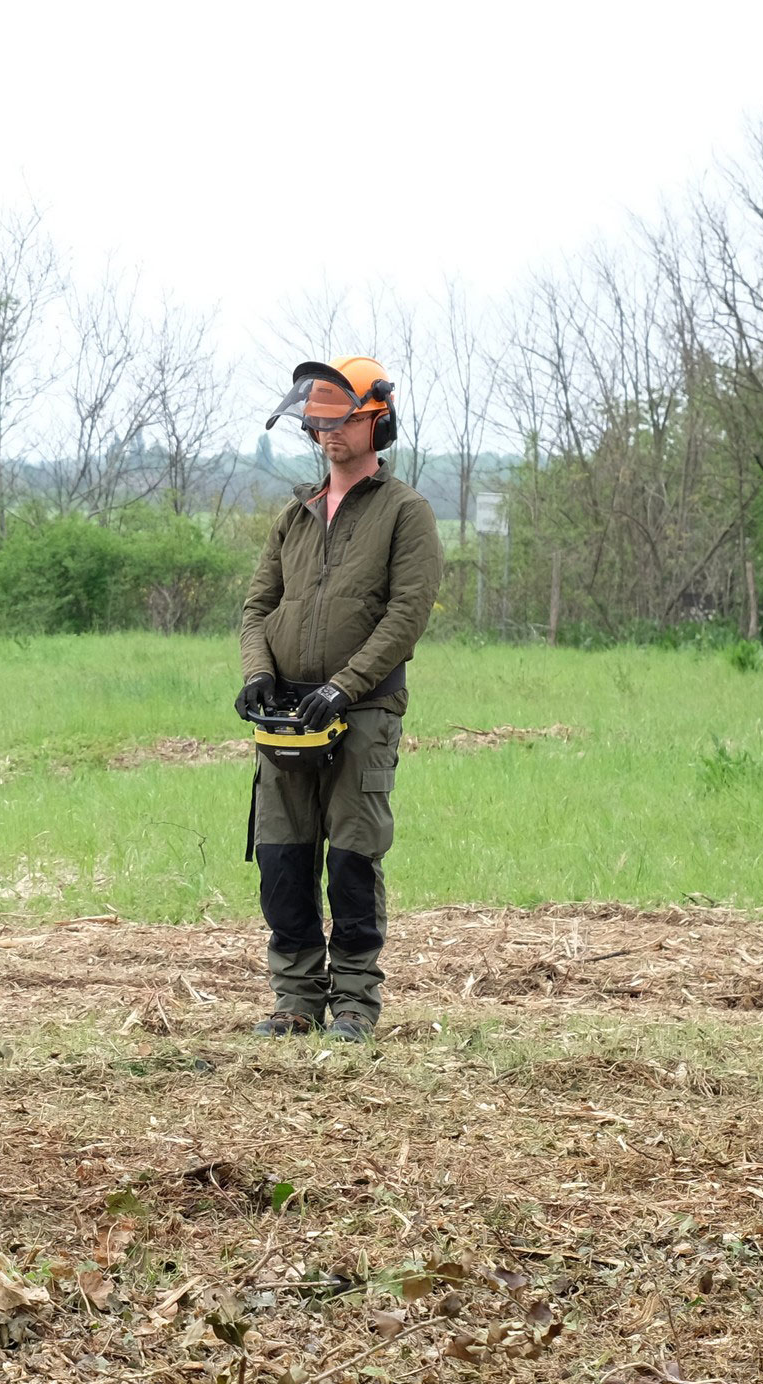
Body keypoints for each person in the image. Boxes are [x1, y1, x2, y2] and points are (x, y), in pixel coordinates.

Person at [233, 356, 445, 1042]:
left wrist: (343, 686)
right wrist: (256, 674)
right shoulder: (293, 516)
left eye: (342, 419)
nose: (327, 432)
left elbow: (407, 614)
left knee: (353, 858)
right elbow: (258, 606)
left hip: (362, 712)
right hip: (287, 717)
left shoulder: (405, 512)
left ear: (376, 420)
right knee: (282, 859)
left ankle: (353, 1005)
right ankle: (295, 1001)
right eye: (319, 419)